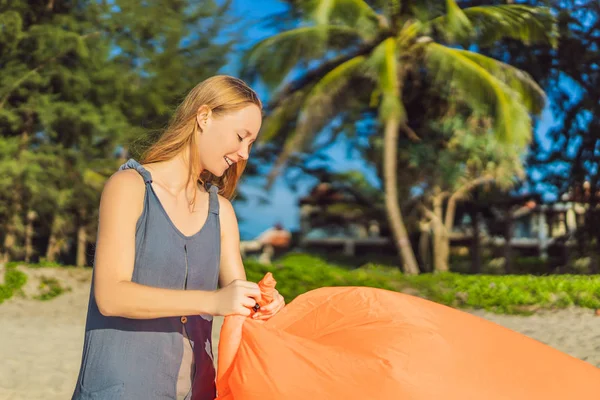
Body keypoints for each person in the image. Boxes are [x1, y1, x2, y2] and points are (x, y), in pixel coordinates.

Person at [71, 75, 285, 400]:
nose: (244, 153)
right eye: (241, 137)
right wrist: (212, 301)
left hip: (199, 391)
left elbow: (236, 303)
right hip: (122, 389)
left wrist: (261, 304)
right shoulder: (129, 187)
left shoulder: (221, 211)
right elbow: (111, 295)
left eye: (251, 144)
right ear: (204, 116)